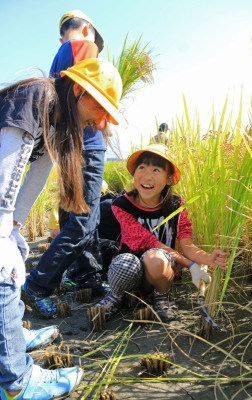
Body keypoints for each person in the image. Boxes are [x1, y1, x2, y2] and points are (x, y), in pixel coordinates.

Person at [0, 58, 122, 398]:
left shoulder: (59, 122)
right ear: (80, 90)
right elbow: (8, 163)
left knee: (10, 266)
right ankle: (15, 383)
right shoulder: (36, 98)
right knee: (1, 273)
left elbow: (36, 173)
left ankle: (8, 332)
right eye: (100, 109)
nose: (100, 123)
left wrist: (14, 227)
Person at [19, 10, 112, 318]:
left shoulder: (59, 58)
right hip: (87, 143)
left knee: (79, 216)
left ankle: (86, 276)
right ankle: (37, 284)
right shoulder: (83, 47)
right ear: (86, 29)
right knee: (84, 222)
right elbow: (89, 95)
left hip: (67, 145)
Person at [94, 144, 228, 321]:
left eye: (156, 169)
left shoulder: (176, 206)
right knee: (125, 262)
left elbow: (187, 245)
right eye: (141, 167)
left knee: (156, 258)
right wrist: (192, 265)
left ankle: (162, 296)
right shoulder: (121, 205)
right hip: (129, 273)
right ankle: (117, 295)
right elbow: (149, 241)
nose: (147, 176)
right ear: (134, 173)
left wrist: (208, 258)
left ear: (169, 179)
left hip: (161, 273)